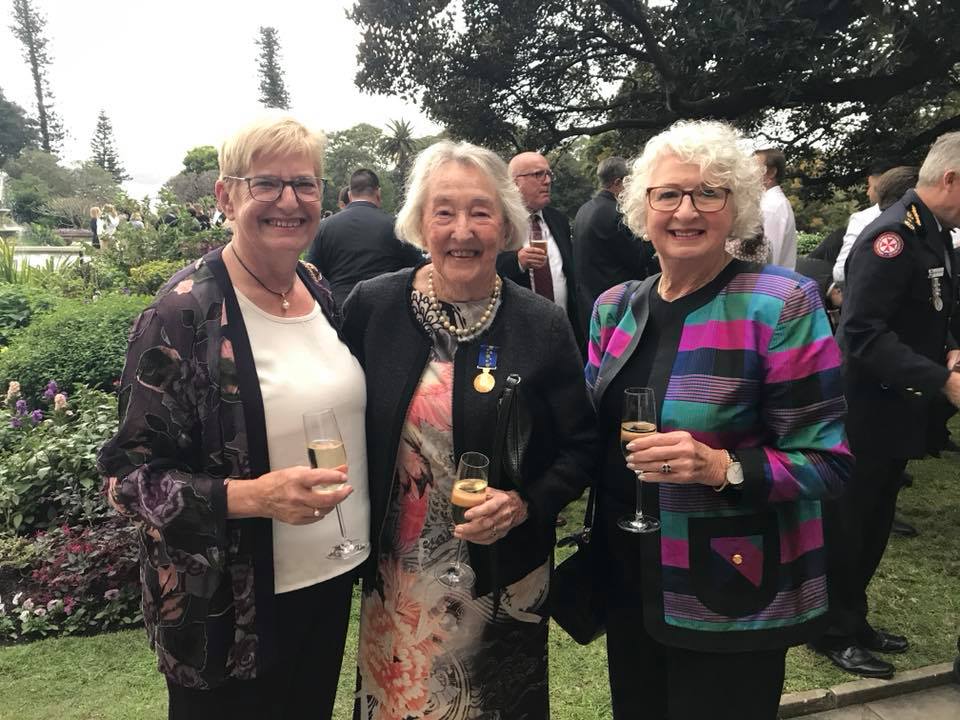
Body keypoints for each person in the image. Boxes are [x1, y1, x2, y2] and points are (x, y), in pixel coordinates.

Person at [97, 115, 368, 719]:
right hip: (228, 611)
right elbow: (128, 480)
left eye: (306, 184)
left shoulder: (315, 287)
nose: (289, 202)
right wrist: (251, 497)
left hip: (323, 584)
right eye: (266, 183)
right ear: (226, 195)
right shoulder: (182, 315)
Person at [587, 120, 852, 720]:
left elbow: (828, 464)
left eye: (710, 193)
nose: (687, 210)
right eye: (669, 194)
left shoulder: (781, 303)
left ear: (736, 209)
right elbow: (591, 437)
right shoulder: (614, 309)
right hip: (631, 577)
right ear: (642, 206)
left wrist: (720, 466)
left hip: (730, 586)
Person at [342, 140, 597, 719]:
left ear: (505, 223)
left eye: (480, 211)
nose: (463, 229)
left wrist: (526, 503)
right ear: (419, 223)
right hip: (398, 577)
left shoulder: (541, 323)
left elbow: (582, 445)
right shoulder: (372, 308)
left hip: (502, 578)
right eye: (444, 211)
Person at [813, 132, 960, 679]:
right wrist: (940, 382)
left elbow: (934, 311)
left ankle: (854, 617)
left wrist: (949, 349)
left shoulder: (935, 232)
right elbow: (862, 333)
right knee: (851, 521)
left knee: (875, 519)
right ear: (950, 179)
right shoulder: (893, 235)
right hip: (869, 407)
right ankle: (831, 629)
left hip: (901, 404)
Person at [497, 151, 583, 348]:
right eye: (538, 174)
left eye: (549, 174)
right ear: (514, 183)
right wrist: (516, 261)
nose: (547, 181)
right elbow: (481, 269)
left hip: (564, 330)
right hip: (518, 337)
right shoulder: (498, 223)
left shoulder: (558, 220)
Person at [306, 168, 423, 306]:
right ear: (378, 193)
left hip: (338, 313)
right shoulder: (397, 227)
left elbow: (312, 274)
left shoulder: (324, 227)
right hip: (385, 311)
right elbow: (418, 269)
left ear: (349, 195)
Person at [573, 155, 657, 342]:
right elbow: (638, 258)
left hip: (588, 300)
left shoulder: (584, 210)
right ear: (619, 182)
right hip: (617, 303)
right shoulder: (616, 213)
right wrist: (652, 234)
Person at [832, 159, 897, 284]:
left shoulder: (862, 220)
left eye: (870, 186)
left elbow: (841, 273)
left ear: (883, 187)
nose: (867, 192)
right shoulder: (923, 214)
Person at [755, 147, 798, 268]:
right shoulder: (771, 204)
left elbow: (769, 259)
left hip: (767, 284)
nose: (747, 172)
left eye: (753, 168)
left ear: (771, 173)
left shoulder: (770, 207)